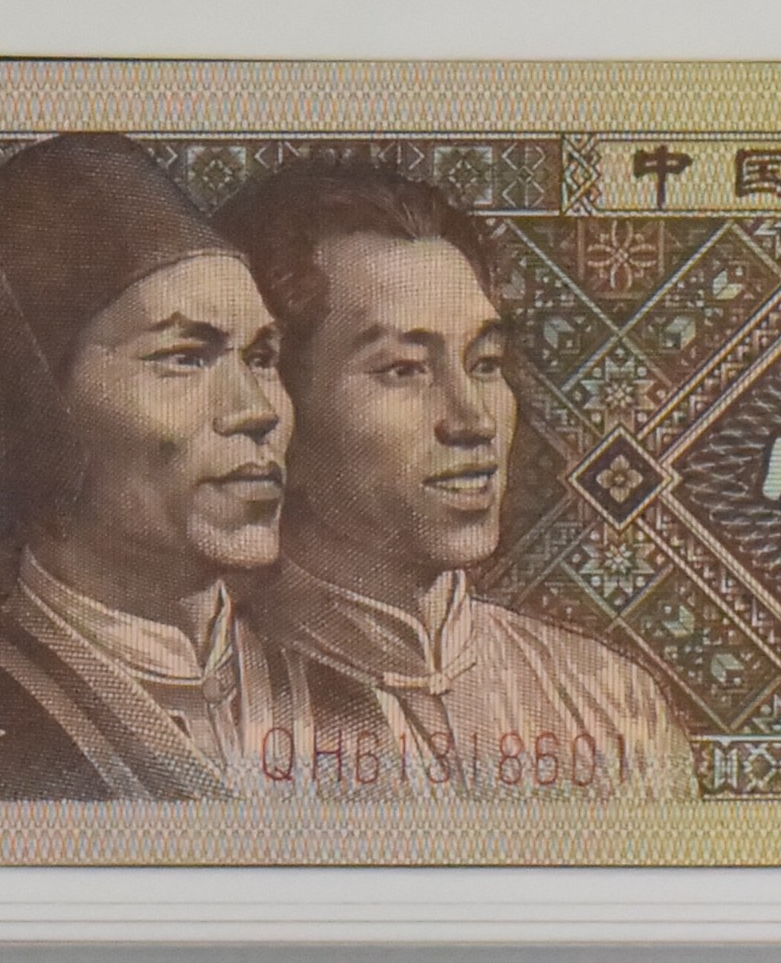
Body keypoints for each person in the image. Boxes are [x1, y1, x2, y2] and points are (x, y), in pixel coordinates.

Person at [0, 132, 291, 800]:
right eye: (185, 357)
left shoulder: (377, 705)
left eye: (262, 357)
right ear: (37, 408)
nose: (258, 410)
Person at [217, 168, 691, 799]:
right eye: (404, 369)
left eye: (484, 363)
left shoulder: (610, 706)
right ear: (277, 403)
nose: (473, 421)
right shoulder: (202, 714)